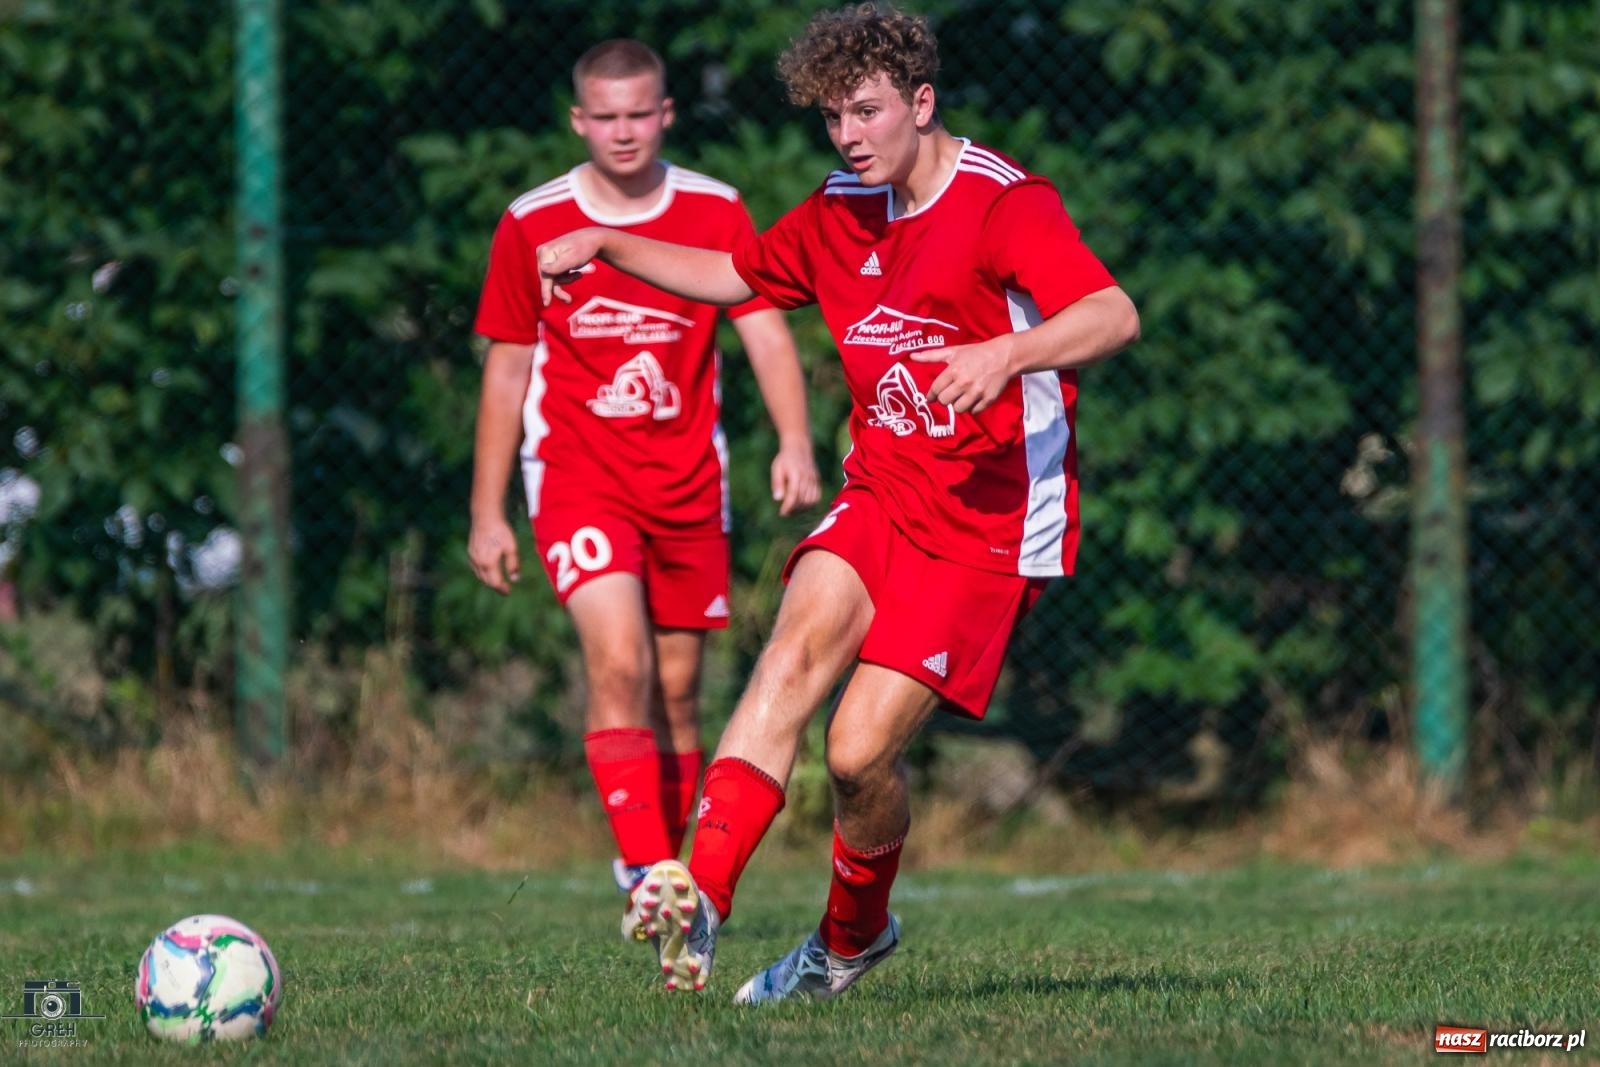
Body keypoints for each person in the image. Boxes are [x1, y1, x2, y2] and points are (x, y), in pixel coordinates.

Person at [535, 3, 1140, 1002]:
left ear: (921, 102)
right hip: (884, 487)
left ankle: (850, 939)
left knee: (856, 755)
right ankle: (701, 896)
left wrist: (1009, 351)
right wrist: (608, 239)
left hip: (988, 520)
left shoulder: (1004, 203)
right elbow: (735, 274)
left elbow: (1112, 313)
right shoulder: (840, 205)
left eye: (866, 111)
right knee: (790, 654)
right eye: (831, 116)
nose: (848, 135)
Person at [468, 39, 820, 940]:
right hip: (577, 477)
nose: (623, 131)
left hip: (689, 482)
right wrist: (487, 511)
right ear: (578, 121)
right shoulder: (532, 221)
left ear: (666, 114)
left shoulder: (714, 208)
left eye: (639, 114)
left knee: (678, 688)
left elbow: (765, 329)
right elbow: (507, 369)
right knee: (619, 662)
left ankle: (673, 877)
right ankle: (646, 869)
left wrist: (793, 439)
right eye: (605, 116)